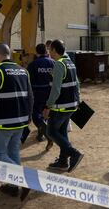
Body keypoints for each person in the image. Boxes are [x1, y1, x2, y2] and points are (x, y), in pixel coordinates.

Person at [0, 43, 33, 197]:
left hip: (4, 122)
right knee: (12, 152)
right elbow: (30, 96)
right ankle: (12, 185)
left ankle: (22, 179)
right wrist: (29, 116)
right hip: (21, 120)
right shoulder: (23, 71)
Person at [43, 39, 83, 173]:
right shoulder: (70, 62)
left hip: (61, 106)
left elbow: (56, 89)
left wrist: (48, 106)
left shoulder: (59, 64)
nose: (49, 53)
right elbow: (77, 84)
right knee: (62, 133)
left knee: (51, 132)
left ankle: (74, 153)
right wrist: (78, 101)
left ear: (54, 50)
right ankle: (62, 161)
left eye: (50, 50)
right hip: (71, 105)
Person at [24, 43, 55, 151]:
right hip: (50, 92)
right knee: (46, 113)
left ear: (36, 52)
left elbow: (27, 80)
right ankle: (41, 134)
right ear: (46, 51)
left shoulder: (33, 64)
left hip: (37, 92)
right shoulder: (53, 62)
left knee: (35, 114)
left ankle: (46, 132)